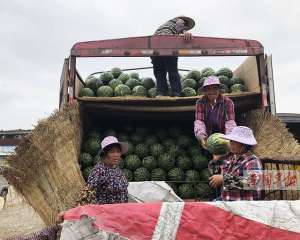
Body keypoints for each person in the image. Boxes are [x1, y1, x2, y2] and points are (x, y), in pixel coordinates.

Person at [209, 126, 263, 201]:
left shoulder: (252, 160)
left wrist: (224, 180)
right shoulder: (232, 158)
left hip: (243, 205)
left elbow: (252, 182)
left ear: (244, 145)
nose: (230, 143)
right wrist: (215, 160)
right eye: (231, 141)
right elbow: (214, 171)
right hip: (227, 201)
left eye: (234, 141)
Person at [151, 16, 195, 97]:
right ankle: (176, 93)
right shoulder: (179, 21)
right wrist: (185, 32)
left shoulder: (165, 25)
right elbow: (179, 25)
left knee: (159, 72)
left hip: (154, 48)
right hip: (168, 45)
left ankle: (161, 93)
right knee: (172, 71)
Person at [194, 75, 237, 148]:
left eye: (215, 88)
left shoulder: (228, 102)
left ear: (219, 89)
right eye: (208, 89)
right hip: (207, 137)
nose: (211, 91)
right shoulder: (200, 102)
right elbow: (199, 121)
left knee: (224, 155)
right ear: (205, 91)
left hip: (224, 137)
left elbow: (230, 122)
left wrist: (228, 139)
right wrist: (201, 136)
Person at [86, 136, 129, 204]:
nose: (116, 155)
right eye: (112, 152)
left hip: (121, 211)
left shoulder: (117, 169)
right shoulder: (98, 171)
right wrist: (72, 212)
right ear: (105, 154)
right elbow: (87, 194)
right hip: (106, 212)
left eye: (118, 151)